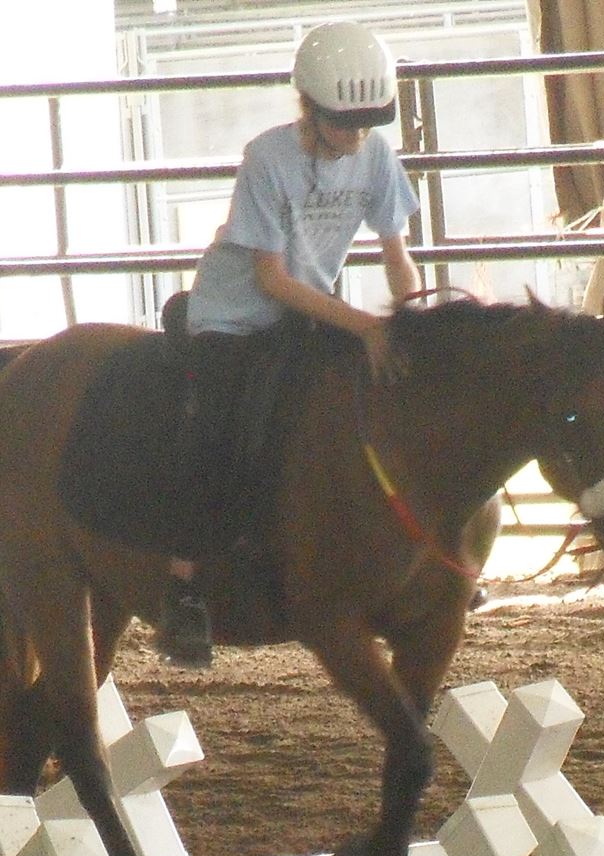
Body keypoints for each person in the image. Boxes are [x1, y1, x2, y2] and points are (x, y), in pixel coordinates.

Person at [157, 21, 422, 668]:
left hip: (310, 312)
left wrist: (410, 321)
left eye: (367, 122)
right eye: (343, 123)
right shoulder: (267, 159)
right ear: (308, 107)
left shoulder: (375, 155)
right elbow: (269, 278)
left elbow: (397, 254)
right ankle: (183, 588)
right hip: (234, 316)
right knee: (215, 429)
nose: (356, 135)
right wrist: (363, 325)